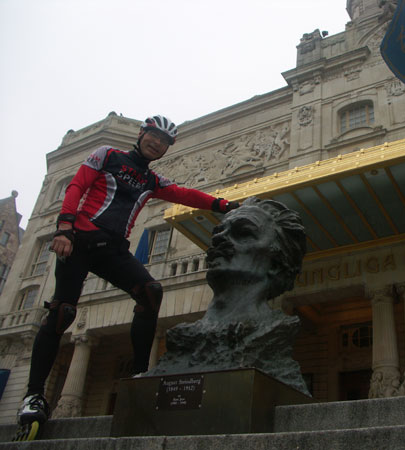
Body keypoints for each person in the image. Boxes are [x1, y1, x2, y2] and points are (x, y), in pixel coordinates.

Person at [17, 115, 239, 426]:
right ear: (142, 133)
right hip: (79, 240)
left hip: (114, 251)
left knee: (150, 292)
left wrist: (221, 204)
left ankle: (138, 376)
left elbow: (184, 195)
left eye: (163, 142)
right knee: (63, 311)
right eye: (153, 136)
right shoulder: (107, 155)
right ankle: (33, 395)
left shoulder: (152, 181)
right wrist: (63, 227)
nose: (157, 143)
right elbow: (78, 185)